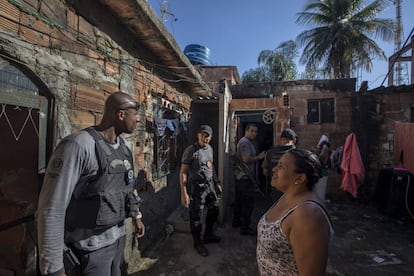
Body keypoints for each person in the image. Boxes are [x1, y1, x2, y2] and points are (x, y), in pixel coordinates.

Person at [36, 91, 145, 276]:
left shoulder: (125, 149)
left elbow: (128, 187)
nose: (138, 120)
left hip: (118, 240)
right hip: (90, 250)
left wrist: (136, 216)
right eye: (135, 114)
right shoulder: (79, 145)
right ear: (120, 115)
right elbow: (51, 209)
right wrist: (53, 268)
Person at [257, 149, 334, 275]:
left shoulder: (308, 215)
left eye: (281, 166)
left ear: (300, 178)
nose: (274, 169)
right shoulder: (287, 195)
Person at [180, 125, 222, 257]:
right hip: (197, 188)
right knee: (196, 217)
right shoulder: (191, 151)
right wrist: (184, 193)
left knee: (215, 208)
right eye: (203, 135)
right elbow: (183, 173)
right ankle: (197, 242)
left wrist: (217, 182)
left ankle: (208, 234)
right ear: (198, 135)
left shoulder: (210, 149)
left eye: (208, 135)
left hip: (209, 186)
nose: (206, 138)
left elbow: (211, 166)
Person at [232, 123, 265, 235]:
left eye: (256, 131)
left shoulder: (247, 142)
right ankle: (245, 228)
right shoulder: (245, 142)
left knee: (239, 202)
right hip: (245, 178)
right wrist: (259, 157)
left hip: (242, 178)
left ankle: (236, 222)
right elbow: (246, 159)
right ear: (246, 131)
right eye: (252, 131)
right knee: (248, 203)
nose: (254, 133)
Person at [262, 128, 297, 197]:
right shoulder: (296, 154)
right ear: (294, 140)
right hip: (290, 189)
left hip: (275, 188)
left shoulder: (270, 152)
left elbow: (264, 172)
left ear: (280, 140)